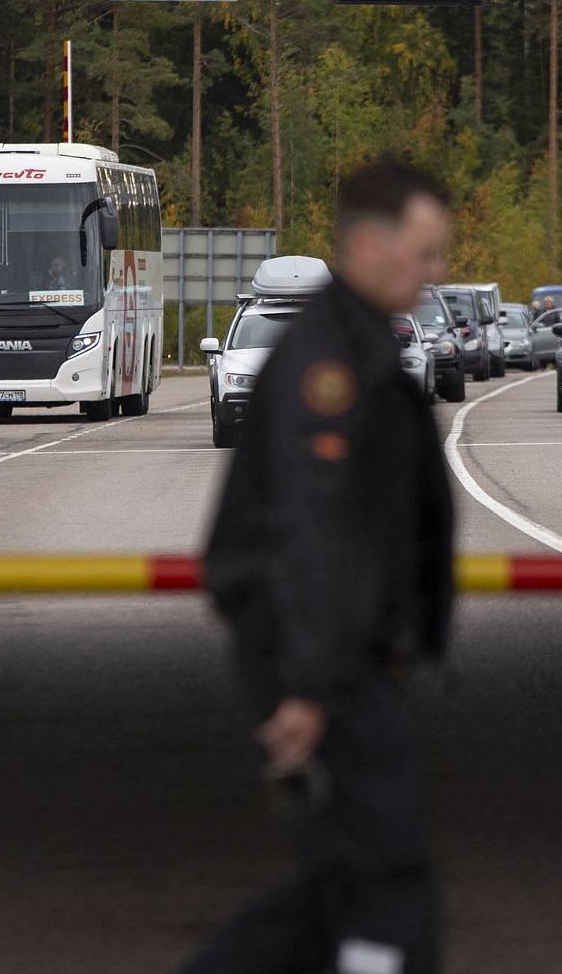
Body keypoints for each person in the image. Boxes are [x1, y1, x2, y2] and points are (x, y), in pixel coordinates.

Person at [182, 159, 455, 974]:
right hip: (322, 659)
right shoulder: (328, 364)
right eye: (427, 251)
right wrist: (305, 685)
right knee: (392, 883)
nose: (437, 272)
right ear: (371, 246)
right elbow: (312, 529)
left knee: (343, 884)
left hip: (338, 651)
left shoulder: (358, 341)